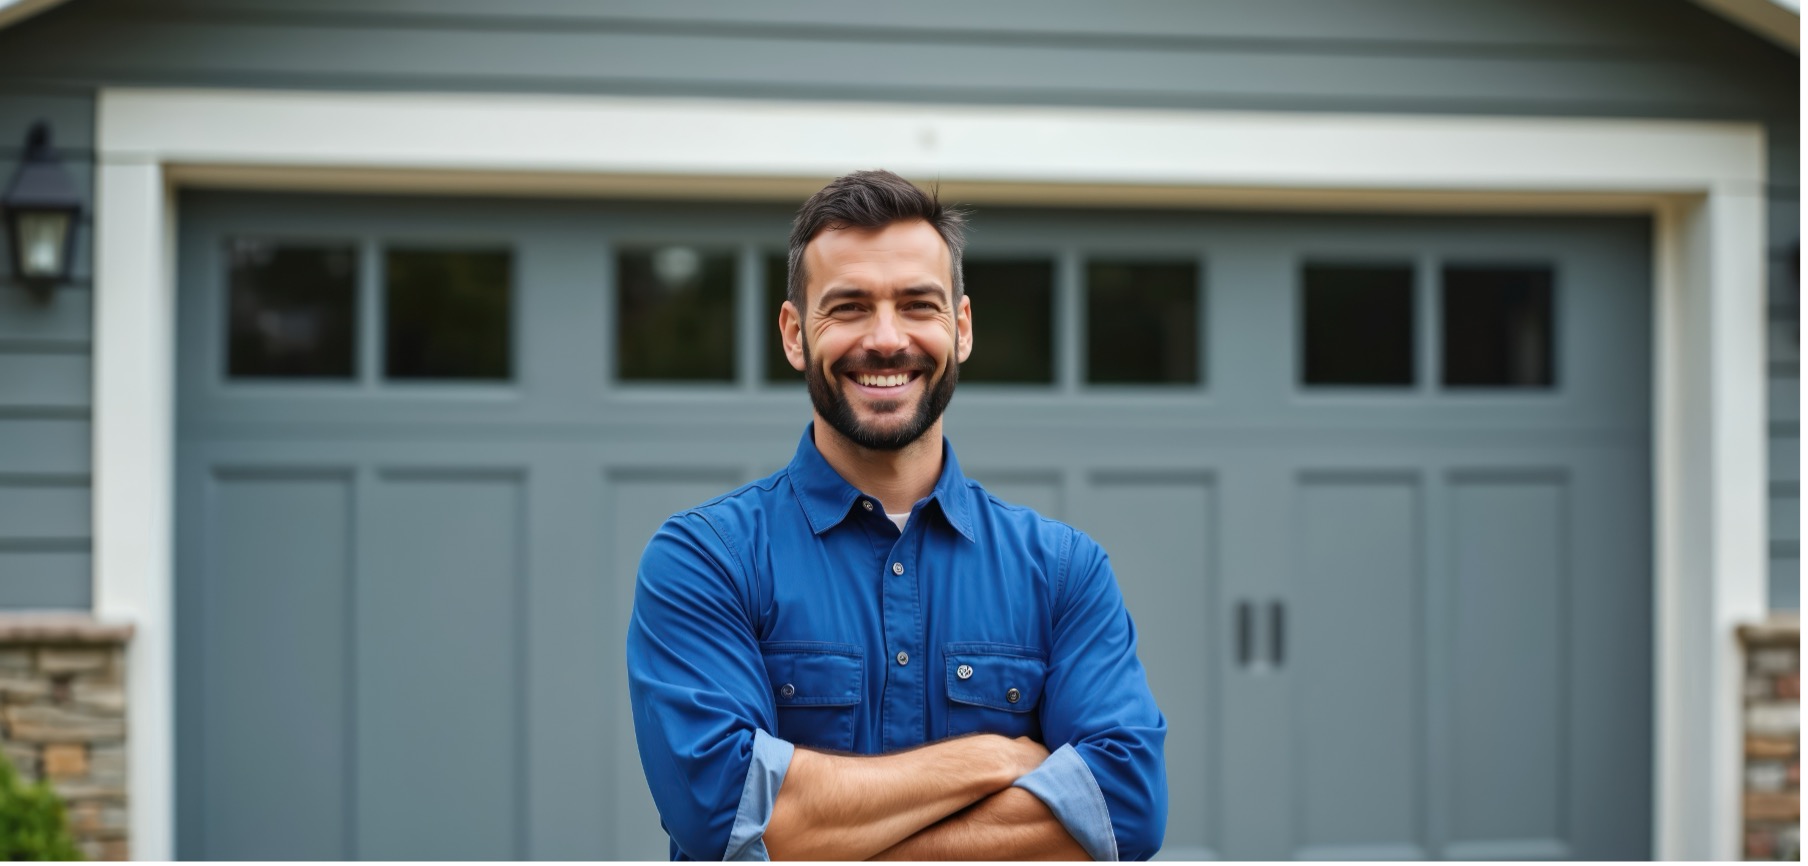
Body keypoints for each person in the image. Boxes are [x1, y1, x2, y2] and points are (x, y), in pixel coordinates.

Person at [626, 170, 1167, 861]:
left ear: (961, 327)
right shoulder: (705, 561)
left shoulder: (1063, 572)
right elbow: (721, 815)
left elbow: (1126, 807)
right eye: (848, 307)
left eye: (917, 304)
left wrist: (821, 830)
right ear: (794, 334)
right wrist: (989, 759)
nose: (886, 339)